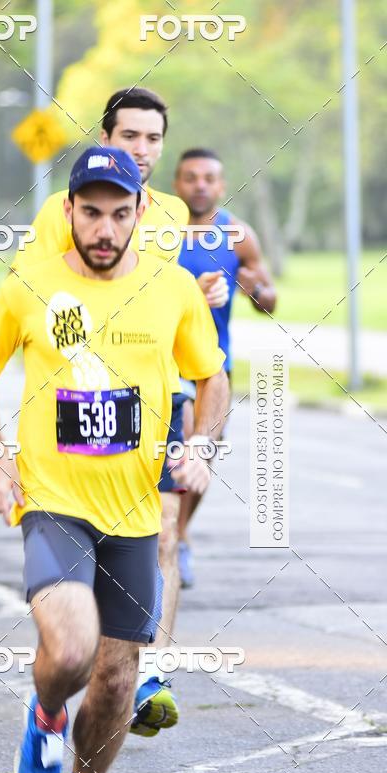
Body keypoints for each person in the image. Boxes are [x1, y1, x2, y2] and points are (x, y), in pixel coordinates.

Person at [0, 147, 228, 773]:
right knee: (74, 650)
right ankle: (46, 714)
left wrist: (201, 443)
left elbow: (212, 376)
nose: (104, 228)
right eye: (91, 212)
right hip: (54, 500)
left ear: (140, 212)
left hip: (137, 513)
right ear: (69, 211)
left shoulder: (171, 289)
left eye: (119, 212)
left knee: (117, 677)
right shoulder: (31, 284)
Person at [13, 87, 228, 738]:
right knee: (79, 538)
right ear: (106, 137)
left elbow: (172, 303)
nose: (142, 149)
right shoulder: (63, 210)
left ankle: (151, 670)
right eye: (129, 136)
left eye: (153, 138)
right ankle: (65, 665)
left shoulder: (168, 213)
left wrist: (200, 293)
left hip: (161, 397)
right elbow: (46, 293)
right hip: (81, 397)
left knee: (165, 528)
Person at [173, 148, 277, 586]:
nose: (200, 185)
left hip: (216, 365)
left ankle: (177, 535)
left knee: (203, 452)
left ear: (221, 184)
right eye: (191, 177)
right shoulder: (158, 228)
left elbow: (268, 302)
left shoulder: (238, 235)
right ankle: (161, 536)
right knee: (177, 446)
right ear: (177, 184)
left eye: (209, 178)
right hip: (164, 361)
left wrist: (259, 291)